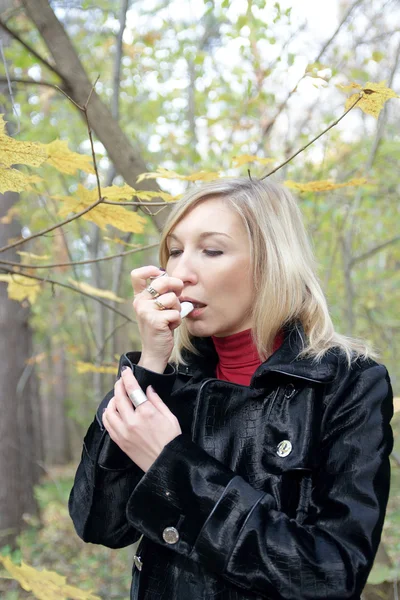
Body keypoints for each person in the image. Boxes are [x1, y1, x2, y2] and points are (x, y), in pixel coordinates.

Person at [69, 177, 394, 600]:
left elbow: (330, 574)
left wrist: (173, 464)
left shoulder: (347, 383)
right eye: (175, 250)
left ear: (272, 261)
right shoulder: (174, 377)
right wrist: (151, 362)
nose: (181, 272)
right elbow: (99, 525)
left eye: (212, 250)